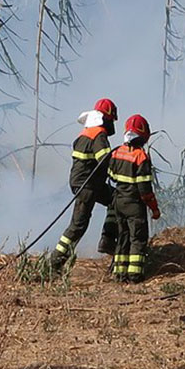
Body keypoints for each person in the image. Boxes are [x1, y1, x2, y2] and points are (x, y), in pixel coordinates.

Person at [49, 98, 119, 271]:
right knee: (78, 226)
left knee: (116, 199)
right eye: (111, 120)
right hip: (87, 186)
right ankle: (54, 263)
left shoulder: (86, 133)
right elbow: (105, 160)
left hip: (89, 184)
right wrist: (121, 172)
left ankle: (107, 241)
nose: (112, 125)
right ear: (106, 118)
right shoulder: (98, 135)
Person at [109, 114, 160, 283]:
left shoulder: (117, 152)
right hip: (134, 204)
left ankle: (119, 273)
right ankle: (135, 275)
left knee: (122, 236)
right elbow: (145, 189)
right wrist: (154, 208)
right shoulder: (141, 157)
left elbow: (111, 175)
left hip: (118, 201)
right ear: (143, 136)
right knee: (137, 238)